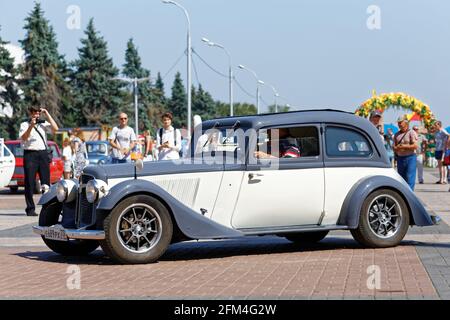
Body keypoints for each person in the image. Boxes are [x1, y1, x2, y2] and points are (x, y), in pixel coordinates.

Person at [19, 106, 58, 216]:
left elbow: (56, 128)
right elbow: (24, 137)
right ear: (30, 113)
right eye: (34, 112)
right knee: (30, 183)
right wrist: (31, 125)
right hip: (30, 154)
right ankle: (30, 209)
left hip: (42, 154)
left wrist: (47, 113)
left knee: (46, 182)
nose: (37, 114)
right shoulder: (24, 124)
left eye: (38, 112)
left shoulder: (43, 123)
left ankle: (48, 208)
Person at [394, 115, 418, 190]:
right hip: (400, 158)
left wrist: (403, 146)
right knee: (401, 179)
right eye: (398, 123)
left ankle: (410, 195)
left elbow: (415, 146)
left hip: (410, 158)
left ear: (406, 123)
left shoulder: (412, 132)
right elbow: (394, 147)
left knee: (410, 178)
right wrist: (396, 148)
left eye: (400, 122)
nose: (399, 124)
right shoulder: (396, 134)